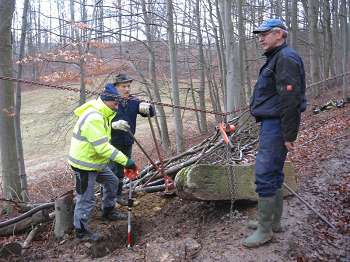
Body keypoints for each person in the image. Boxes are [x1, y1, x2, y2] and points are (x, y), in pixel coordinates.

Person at [243, 18, 306, 248]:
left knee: (265, 174)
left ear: (279, 34)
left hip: (277, 125)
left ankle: (265, 230)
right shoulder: (277, 57)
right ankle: (272, 222)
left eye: (265, 34)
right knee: (275, 173)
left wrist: (289, 135)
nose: (260, 38)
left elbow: (291, 100)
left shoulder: (285, 58)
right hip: (272, 123)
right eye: (259, 34)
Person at [68, 84, 137, 241]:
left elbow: (100, 135)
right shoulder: (94, 117)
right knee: (86, 197)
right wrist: (126, 161)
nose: (117, 106)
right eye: (115, 103)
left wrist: (114, 125)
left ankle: (108, 211)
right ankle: (81, 232)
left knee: (112, 181)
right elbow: (103, 148)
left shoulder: (104, 113)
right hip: (84, 164)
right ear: (106, 100)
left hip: (95, 162)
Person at [108, 74, 155, 205]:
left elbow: (151, 113)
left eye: (129, 86)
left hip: (127, 141)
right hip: (111, 143)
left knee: (122, 170)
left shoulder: (133, 101)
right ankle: (109, 200)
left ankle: (118, 196)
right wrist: (112, 126)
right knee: (111, 171)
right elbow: (99, 120)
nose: (127, 89)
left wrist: (148, 107)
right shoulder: (108, 101)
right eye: (124, 86)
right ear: (116, 87)